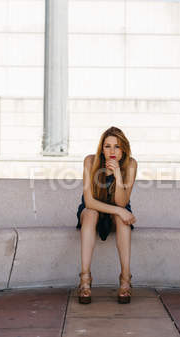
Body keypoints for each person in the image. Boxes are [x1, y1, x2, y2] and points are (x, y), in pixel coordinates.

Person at [75, 126, 138, 304]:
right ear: (101, 148)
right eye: (107, 146)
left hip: (117, 212)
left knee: (121, 219)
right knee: (90, 213)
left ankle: (125, 279)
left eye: (117, 147)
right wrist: (120, 210)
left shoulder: (131, 164)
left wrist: (118, 175)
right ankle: (85, 279)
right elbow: (89, 202)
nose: (112, 151)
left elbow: (121, 203)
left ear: (124, 148)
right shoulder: (90, 161)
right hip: (93, 211)